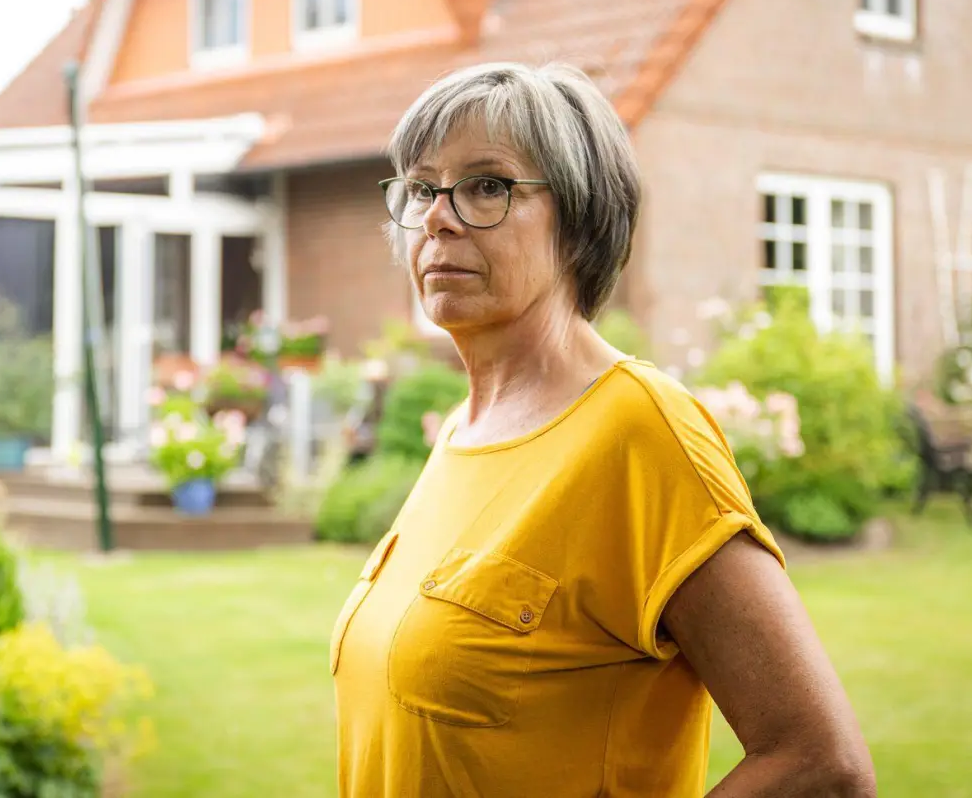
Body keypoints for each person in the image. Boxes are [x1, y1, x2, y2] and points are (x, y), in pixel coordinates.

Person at [329, 62, 875, 797]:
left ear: (580, 218)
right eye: (423, 187)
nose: (439, 216)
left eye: (488, 185)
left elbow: (822, 766)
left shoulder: (640, 429)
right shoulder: (463, 431)